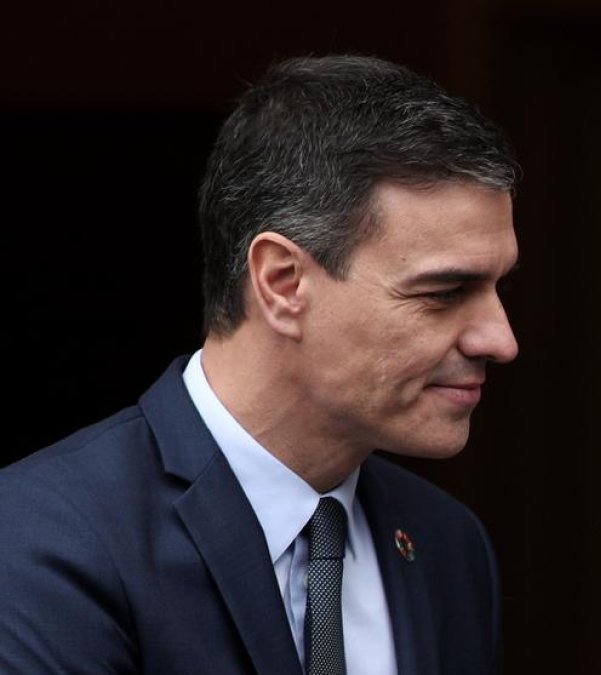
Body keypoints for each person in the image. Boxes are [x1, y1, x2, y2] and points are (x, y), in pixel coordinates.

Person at [0, 55, 518, 674]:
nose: (500, 340)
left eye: (497, 288)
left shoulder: (447, 545)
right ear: (282, 282)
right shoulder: (46, 537)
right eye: (444, 292)